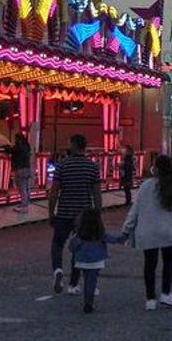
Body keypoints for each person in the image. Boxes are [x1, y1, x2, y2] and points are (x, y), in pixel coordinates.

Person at [122, 153, 172, 311]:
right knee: (168, 263)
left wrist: (126, 229)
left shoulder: (146, 186)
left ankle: (150, 298)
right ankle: (166, 293)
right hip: (169, 231)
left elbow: (135, 210)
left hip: (148, 231)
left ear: (156, 168)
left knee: (150, 265)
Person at [47, 134, 101, 294]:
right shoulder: (93, 167)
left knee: (57, 244)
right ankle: (73, 284)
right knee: (79, 248)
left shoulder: (62, 165)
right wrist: (97, 214)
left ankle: (58, 270)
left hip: (64, 211)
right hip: (84, 214)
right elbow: (97, 194)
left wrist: (51, 212)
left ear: (73, 145)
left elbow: (54, 191)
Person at [66, 207, 125, 314]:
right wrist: (125, 237)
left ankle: (87, 302)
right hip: (96, 261)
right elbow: (114, 239)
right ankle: (89, 302)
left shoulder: (80, 235)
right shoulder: (100, 234)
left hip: (82, 260)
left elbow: (72, 247)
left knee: (86, 280)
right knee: (92, 281)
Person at [10, 131, 33, 213]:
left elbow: (11, 150)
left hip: (20, 169)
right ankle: (25, 204)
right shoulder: (27, 146)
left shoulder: (18, 147)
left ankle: (24, 206)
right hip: (28, 168)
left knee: (22, 188)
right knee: (26, 188)